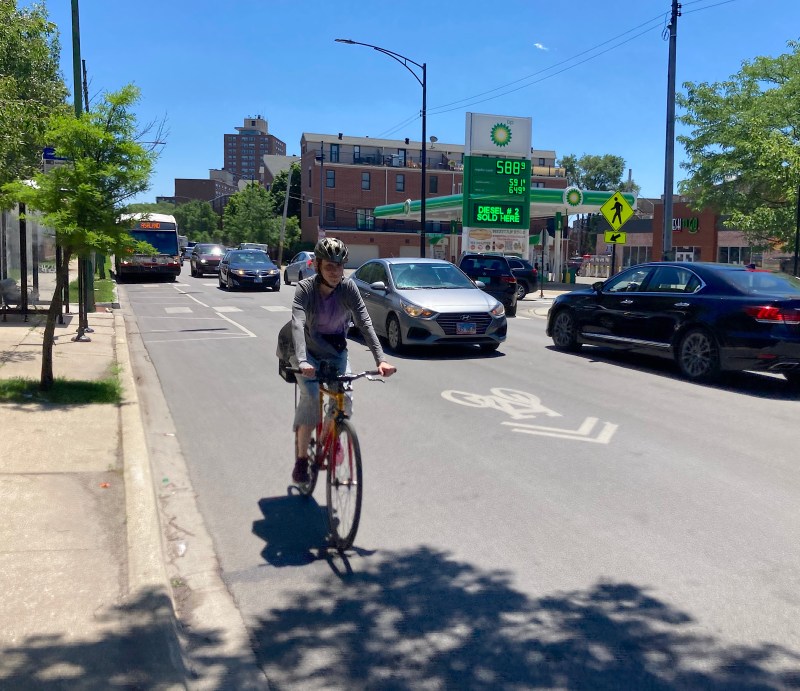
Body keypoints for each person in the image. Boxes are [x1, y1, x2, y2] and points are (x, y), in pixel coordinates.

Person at [289, 237, 396, 484]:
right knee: (311, 400)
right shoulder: (305, 288)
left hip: (336, 352)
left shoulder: (348, 288)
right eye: (329, 266)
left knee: (344, 400)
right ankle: (302, 460)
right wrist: (303, 361)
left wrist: (381, 359)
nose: (335, 272)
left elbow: (364, 322)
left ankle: (332, 438)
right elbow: (297, 322)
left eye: (339, 266)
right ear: (317, 266)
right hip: (308, 353)